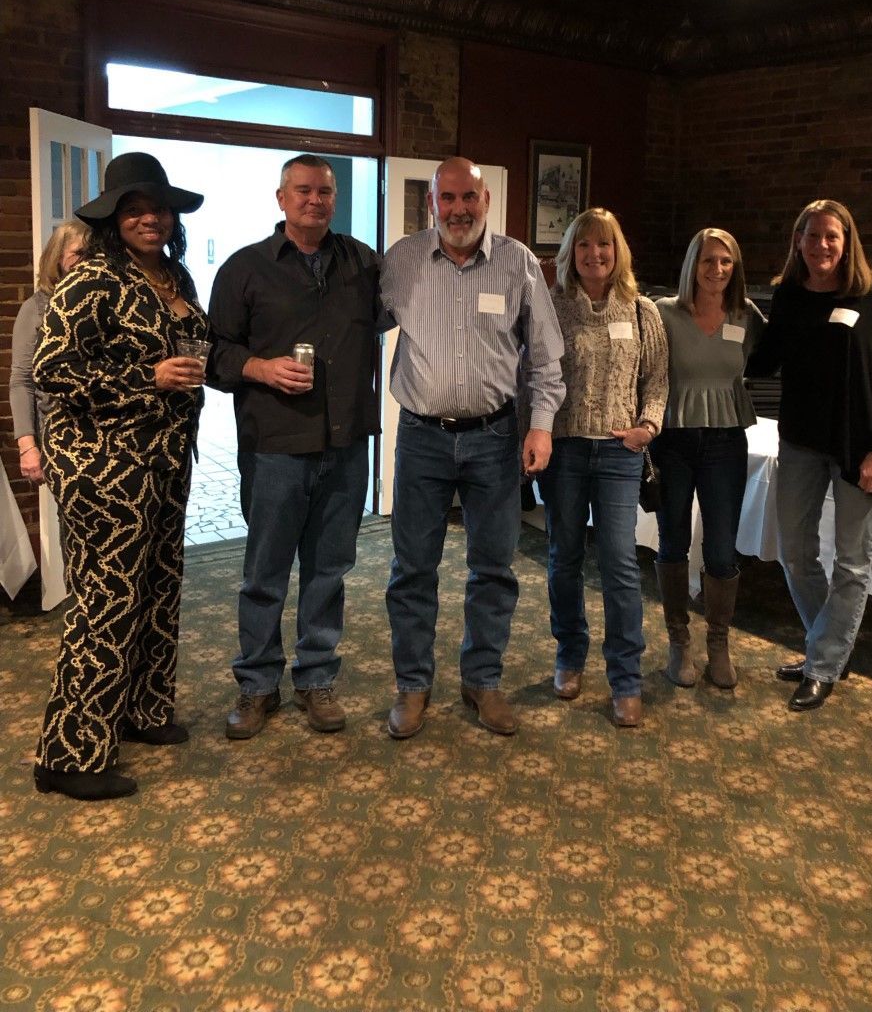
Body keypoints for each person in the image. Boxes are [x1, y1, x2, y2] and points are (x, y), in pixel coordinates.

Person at [33, 152, 206, 801]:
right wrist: (147, 378)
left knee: (159, 591)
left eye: (157, 207)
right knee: (105, 605)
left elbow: (193, 348)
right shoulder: (91, 280)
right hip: (105, 469)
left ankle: (143, 710)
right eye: (134, 208)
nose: (148, 217)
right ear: (113, 218)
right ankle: (69, 755)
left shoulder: (175, 275)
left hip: (164, 464)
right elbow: (51, 372)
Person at [381, 156, 564, 739]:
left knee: (493, 567)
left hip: (493, 439)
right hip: (422, 438)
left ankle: (482, 679)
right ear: (432, 203)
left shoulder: (518, 265)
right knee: (412, 568)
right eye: (448, 199)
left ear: (486, 201)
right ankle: (413, 684)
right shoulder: (403, 262)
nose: (459, 209)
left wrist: (540, 426)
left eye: (469, 198)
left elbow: (546, 358)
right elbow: (350, 326)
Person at [207, 154, 384, 741]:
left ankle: (316, 677)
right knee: (265, 572)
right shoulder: (244, 269)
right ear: (280, 199)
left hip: (346, 443)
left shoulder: (363, 263)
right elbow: (212, 353)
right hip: (275, 444)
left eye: (325, 193)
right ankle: (257, 685)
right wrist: (259, 366)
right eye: (303, 191)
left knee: (330, 569)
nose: (315, 201)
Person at [748, 199, 872, 711]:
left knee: (852, 562)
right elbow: (765, 359)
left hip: (859, 448)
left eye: (831, 237)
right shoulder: (790, 295)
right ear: (797, 241)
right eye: (812, 235)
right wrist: (724, 312)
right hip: (800, 443)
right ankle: (831, 646)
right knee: (795, 551)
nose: (822, 245)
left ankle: (822, 664)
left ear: (847, 242)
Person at [539, 208, 668, 727]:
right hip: (566, 451)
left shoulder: (642, 311)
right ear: (570, 253)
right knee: (564, 557)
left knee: (618, 563)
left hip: (619, 454)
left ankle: (625, 678)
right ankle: (570, 653)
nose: (595, 255)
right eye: (585, 246)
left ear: (619, 253)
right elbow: (534, 371)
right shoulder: (550, 307)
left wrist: (648, 427)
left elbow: (658, 380)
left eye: (605, 246)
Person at [652, 228, 765, 689]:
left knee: (721, 547)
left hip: (724, 441)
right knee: (673, 540)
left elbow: (759, 361)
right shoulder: (663, 313)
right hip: (673, 440)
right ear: (691, 264)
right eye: (707, 261)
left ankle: (718, 641)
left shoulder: (746, 315)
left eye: (725, 262)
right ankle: (679, 641)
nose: (716, 270)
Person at [11, 220, 89, 487]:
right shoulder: (36, 307)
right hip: (59, 441)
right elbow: (21, 381)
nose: (87, 262)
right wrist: (27, 447)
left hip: (103, 441)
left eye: (94, 255)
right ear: (57, 258)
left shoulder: (100, 303)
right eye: (79, 253)